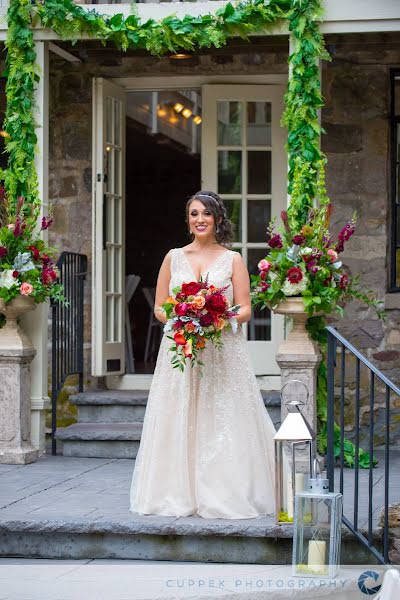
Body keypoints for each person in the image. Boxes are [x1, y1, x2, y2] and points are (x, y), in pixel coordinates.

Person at [130, 190, 277, 519]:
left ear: (218, 219)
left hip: (221, 350)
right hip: (182, 346)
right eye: (194, 214)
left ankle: (224, 490)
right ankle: (178, 491)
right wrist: (183, 318)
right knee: (180, 413)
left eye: (206, 214)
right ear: (188, 220)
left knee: (221, 414)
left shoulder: (233, 260)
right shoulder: (173, 257)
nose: (200, 219)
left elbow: (246, 309)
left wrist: (218, 318)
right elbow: (159, 307)